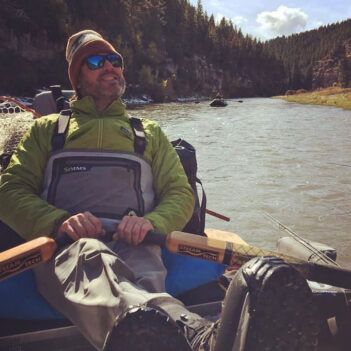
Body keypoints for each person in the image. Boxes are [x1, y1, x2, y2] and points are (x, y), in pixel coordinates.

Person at [0, 30, 319, 351]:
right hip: (67, 249)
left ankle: (166, 333)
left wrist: (152, 223)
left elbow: (180, 195)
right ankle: (199, 337)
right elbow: (9, 191)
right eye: (96, 61)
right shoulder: (47, 130)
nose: (109, 67)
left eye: (115, 61)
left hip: (138, 245)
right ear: (78, 78)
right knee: (91, 255)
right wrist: (58, 221)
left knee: (139, 277)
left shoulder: (147, 132)